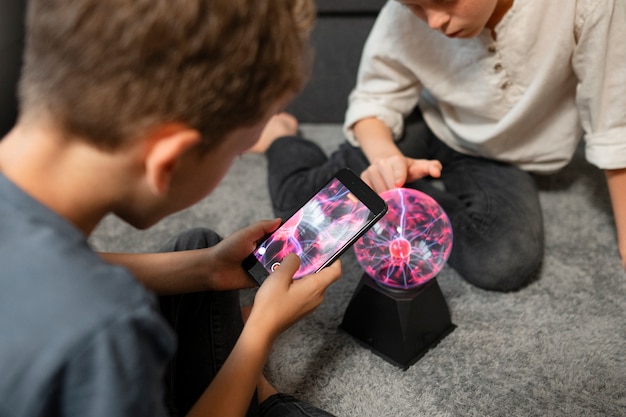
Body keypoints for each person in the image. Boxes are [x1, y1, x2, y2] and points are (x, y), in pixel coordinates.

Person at [0, 0, 341, 416]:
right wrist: (259, 333)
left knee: (198, 247)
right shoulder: (106, 331)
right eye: (236, 152)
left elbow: (44, 264)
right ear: (168, 161)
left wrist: (206, 268)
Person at [252, 0, 626, 292]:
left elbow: (613, 121)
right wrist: (386, 159)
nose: (433, 22)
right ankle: (281, 136)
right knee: (298, 208)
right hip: (424, 125)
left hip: (501, 155)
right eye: (415, 7)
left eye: (444, 2)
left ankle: (410, 193)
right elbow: (373, 103)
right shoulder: (402, 18)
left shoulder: (587, 9)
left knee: (503, 260)